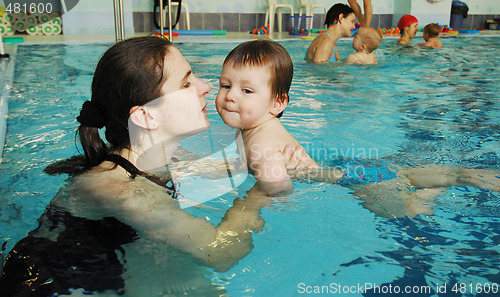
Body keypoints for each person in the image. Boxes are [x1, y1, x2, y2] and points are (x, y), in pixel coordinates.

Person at [0, 36, 306, 296]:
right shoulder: (122, 191)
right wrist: (260, 195)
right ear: (146, 117)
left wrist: (268, 159)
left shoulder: (154, 158)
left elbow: (221, 170)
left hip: (117, 256)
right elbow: (219, 253)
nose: (205, 88)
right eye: (187, 82)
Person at [217, 39, 323, 196]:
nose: (230, 95)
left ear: (277, 103)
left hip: (344, 184)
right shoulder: (251, 127)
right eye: (226, 86)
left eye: (246, 90)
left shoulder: (261, 146)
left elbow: (280, 190)